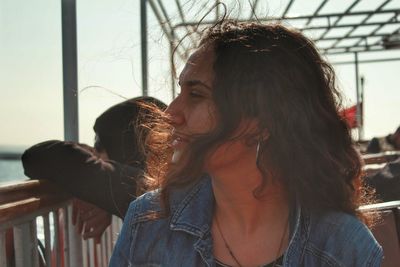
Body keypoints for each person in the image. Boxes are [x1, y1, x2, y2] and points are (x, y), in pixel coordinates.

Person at [110, 21, 382, 266]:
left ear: (262, 121)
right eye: (180, 91)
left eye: (196, 94)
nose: (171, 113)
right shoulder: (148, 222)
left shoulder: (344, 248)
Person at [22, 96, 166, 241]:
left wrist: (99, 188)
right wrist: (107, 200)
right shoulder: (164, 188)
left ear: (124, 150)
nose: (95, 155)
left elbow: (36, 156)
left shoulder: (137, 188)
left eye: (98, 145)